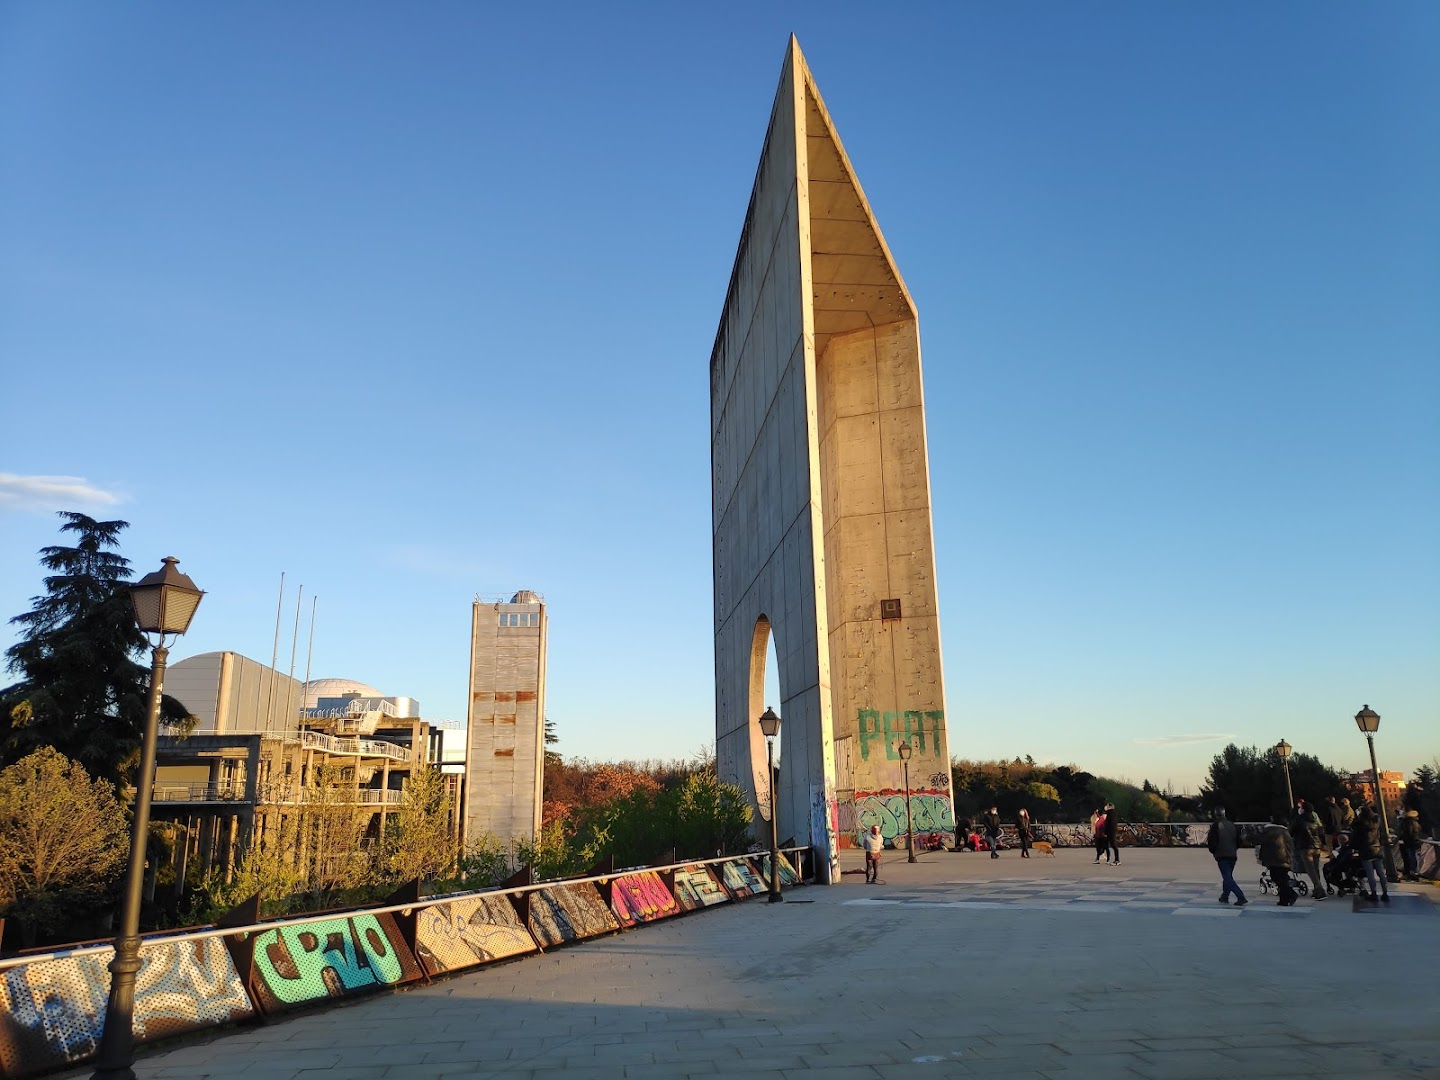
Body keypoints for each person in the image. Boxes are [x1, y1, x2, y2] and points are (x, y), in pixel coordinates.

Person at [1206, 807, 1248, 906]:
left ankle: (1241, 897)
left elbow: (1212, 841)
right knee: (1228, 876)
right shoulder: (1232, 824)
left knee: (1227, 877)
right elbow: (1239, 841)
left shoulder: (1215, 825)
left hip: (1222, 854)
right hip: (1232, 854)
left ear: (1215, 814)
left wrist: (1214, 851)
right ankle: (1224, 896)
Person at [1258, 813, 1298, 906]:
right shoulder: (1284, 831)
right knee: (1281, 879)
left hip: (1276, 858)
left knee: (1278, 878)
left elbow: (1259, 839)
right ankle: (1284, 899)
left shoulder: (1270, 830)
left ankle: (1291, 895)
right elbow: (1291, 845)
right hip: (1286, 858)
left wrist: (1248, 836)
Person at [1351, 804, 1389, 903]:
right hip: (1377, 848)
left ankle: (1374, 893)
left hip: (1366, 850)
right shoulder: (1376, 821)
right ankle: (1385, 893)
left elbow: (1354, 834)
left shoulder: (1360, 823)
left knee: (1370, 874)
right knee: (1381, 873)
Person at [1290, 801, 1327, 900]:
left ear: (1303, 809)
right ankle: (1316, 890)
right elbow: (1321, 832)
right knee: (1315, 869)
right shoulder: (1315, 819)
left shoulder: (1299, 819)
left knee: (1310, 870)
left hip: (1305, 847)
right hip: (1317, 846)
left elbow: (1291, 831)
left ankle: (1320, 891)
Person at [1398, 809, 1423, 882]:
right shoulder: (1416, 822)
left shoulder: (1408, 822)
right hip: (1414, 842)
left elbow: (1407, 832)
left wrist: (1402, 837)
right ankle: (1413, 872)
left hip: (1409, 842)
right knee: (1413, 857)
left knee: (1409, 858)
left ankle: (1410, 873)